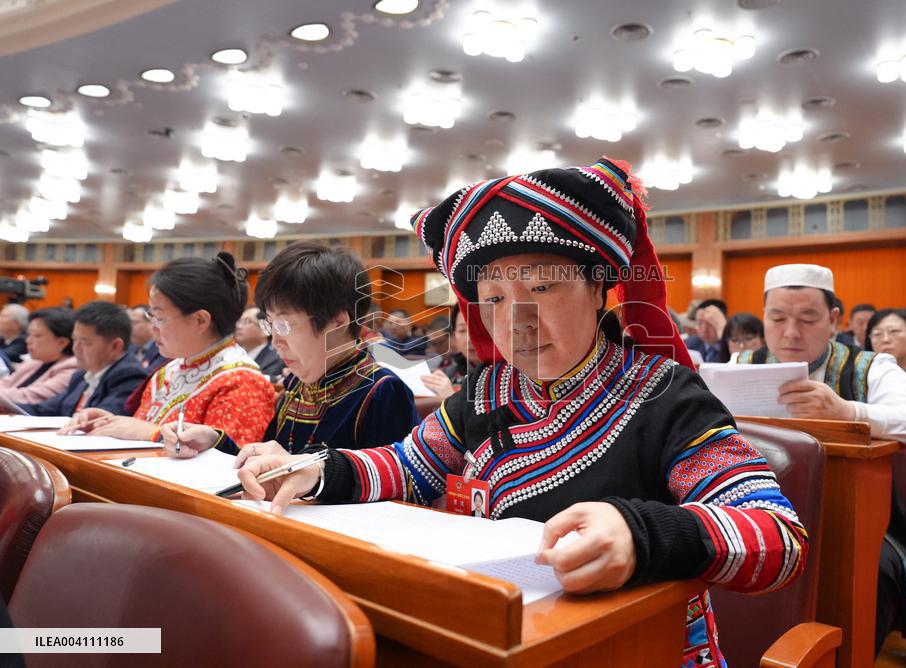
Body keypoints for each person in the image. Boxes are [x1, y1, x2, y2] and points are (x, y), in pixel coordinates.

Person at [235, 159, 807, 666]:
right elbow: (410, 465)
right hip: (508, 636)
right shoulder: (489, 388)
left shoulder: (664, 395)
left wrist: (641, 535)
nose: (517, 322)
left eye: (543, 287)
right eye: (495, 298)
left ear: (599, 287)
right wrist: (319, 470)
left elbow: (777, 536)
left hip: (636, 648)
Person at [731, 263, 906, 654]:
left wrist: (849, 411)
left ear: (833, 320)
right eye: (777, 318)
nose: (790, 332)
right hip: (753, 516)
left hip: (856, 525)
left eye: (807, 319)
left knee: (864, 576)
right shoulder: (737, 368)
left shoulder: (869, 368)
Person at [159, 242, 419, 458]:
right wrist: (215, 442)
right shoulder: (298, 384)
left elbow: (397, 487)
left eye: (284, 325)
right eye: (270, 324)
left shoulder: (382, 391)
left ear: (337, 322)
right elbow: (270, 463)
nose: (275, 342)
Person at [61, 253, 274, 444]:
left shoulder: (242, 382)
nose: (153, 327)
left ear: (200, 320)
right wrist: (111, 423)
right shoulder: (170, 370)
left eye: (160, 317)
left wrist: (152, 433)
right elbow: (141, 431)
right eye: (151, 316)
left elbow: (229, 464)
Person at [19, 301, 147, 416]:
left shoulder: (129, 375)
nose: (76, 348)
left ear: (115, 346)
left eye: (85, 342)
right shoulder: (81, 375)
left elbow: (100, 421)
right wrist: (10, 408)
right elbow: (43, 409)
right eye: (75, 340)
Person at [0, 307, 78, 405]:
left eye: (37, 335)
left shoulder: (72, 369)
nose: (28, 340)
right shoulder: (34, 362)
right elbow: (6, 382)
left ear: (62, 342)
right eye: (29, 334)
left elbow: (30, 397)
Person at [421, 302, 482, 400]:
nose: (468, 339)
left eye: (477, 329)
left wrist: (450, 397)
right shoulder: (452, 366)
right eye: (462, 331)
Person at [235, 306, 284, 378]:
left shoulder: (276, 360)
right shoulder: (232, 356)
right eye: (239, 321)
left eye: (247, 321)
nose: (239, 326)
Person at [129, 305, 167, 370]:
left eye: (134, 323)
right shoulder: (130, 348)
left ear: (151, 323)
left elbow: (148, 374)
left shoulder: (162, 349)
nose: (130, 327)